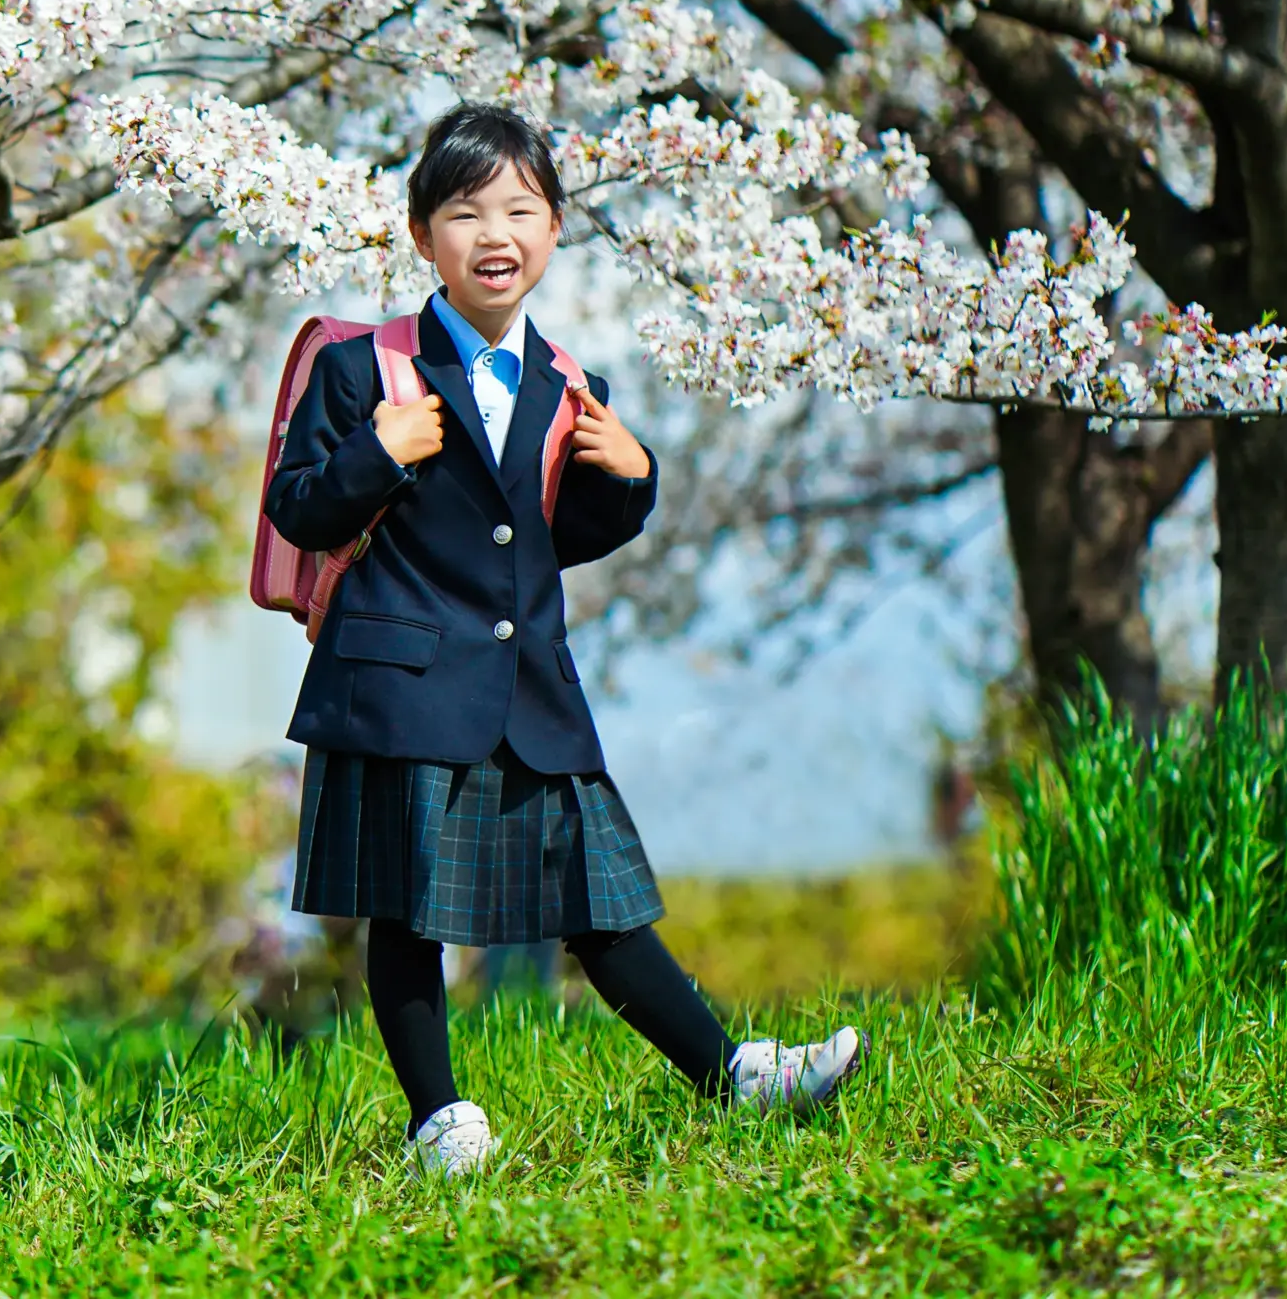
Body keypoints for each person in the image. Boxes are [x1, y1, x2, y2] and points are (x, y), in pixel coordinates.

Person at [264, 101, 863, 1177]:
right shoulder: (363, 371)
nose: (493, 234)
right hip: (399, 682)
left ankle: (736, 1079)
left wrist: (632, 481)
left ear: (553, 231)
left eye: (520, 210)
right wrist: (377, 451)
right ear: (420, 237)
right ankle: (438, 1123)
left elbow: (540, 541)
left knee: (600, 902)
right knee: (404, 915)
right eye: (463, 212)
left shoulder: (568, 383)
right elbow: (298, 509)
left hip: (526, 683)